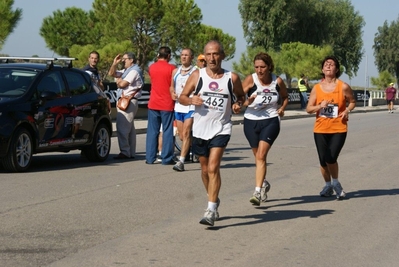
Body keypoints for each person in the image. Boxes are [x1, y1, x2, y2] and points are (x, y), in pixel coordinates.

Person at [179, 40, 245, 226]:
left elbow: (241, 96)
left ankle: (210, 209)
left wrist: (237, 104)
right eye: (208, 54)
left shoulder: (231, 78)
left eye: (215, 54)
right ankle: (213, 198)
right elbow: (182, 97)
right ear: (204, 56)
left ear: (222, 56)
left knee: (213, 167)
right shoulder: (197, 75)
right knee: (204, 169)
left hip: (221, 127)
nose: (212, 58)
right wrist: (192, 100)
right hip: (200, 129)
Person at [241, 52, 289, 206]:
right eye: (256, 67)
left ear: (269, 67)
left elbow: (285, 97)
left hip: (270, 120)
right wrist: (246, 101)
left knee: (261, 156)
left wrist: (282, 108)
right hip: (251, 121)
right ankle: (263, 183)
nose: (259, 70)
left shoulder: (277, 81)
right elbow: (239, 99)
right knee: (258, 158)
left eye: (262, 67)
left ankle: (257, 191)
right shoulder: (251, 79)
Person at [306, 55, 356, 200]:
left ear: (337, 69)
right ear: (322, 69)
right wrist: (319, 106)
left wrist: (347, 110)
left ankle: (336, 183)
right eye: (326, 64)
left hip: (338, 128)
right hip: (320, 129)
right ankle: (328, 185)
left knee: (330, 157)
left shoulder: (343, 86)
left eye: (332, 64)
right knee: (322, 160)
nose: (328, 65)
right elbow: (308, 109)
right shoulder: (316, 88)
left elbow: (352, 102)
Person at [108, 52, 143, 159]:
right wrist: (114, 63)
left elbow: (122, 84)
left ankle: (125, 152)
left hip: (129, 101)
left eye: (125, 59)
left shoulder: (134, 71)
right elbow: (111, 74)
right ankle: (130, 152)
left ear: (131, 60)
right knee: (130, 128)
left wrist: (118, 81)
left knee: (122, 127)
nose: (123, 61)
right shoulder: (127, 71)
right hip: (127, 101)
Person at [146, 46, 177, 165]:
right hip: (167, 103)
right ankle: (166, 158)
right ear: (169, 56)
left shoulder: (152, 67)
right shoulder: (172, 68)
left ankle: (150, 157)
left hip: (153, 102)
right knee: (167, 131)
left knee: (152, 131)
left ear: (158, 55)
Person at [170, 48, 196, 171]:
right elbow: (171, 87)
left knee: (186, 133)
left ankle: (181, 161)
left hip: (191, 106)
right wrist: (172, 93)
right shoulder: (175, 71)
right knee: (181, 136)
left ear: (191, 57)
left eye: (186, 55)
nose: (184, 57)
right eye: (182, 55)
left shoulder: (196, 72)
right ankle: (194, 147)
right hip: (178, 106)